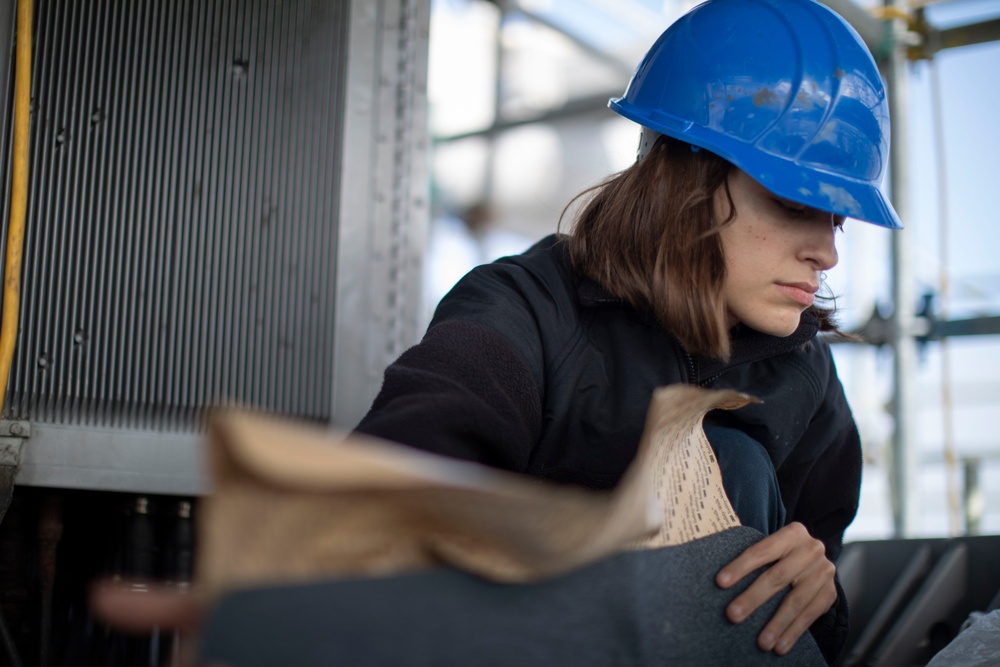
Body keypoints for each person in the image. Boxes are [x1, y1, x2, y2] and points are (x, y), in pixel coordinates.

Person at [354, 0, 902, 663]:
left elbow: (810, 605)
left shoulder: (806, 380)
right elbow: (376, 510)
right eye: (794, 204)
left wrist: (818, 593)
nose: (827, 252)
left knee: (738, 468)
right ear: (686, 179)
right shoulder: (521, 315)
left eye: (837, 220)